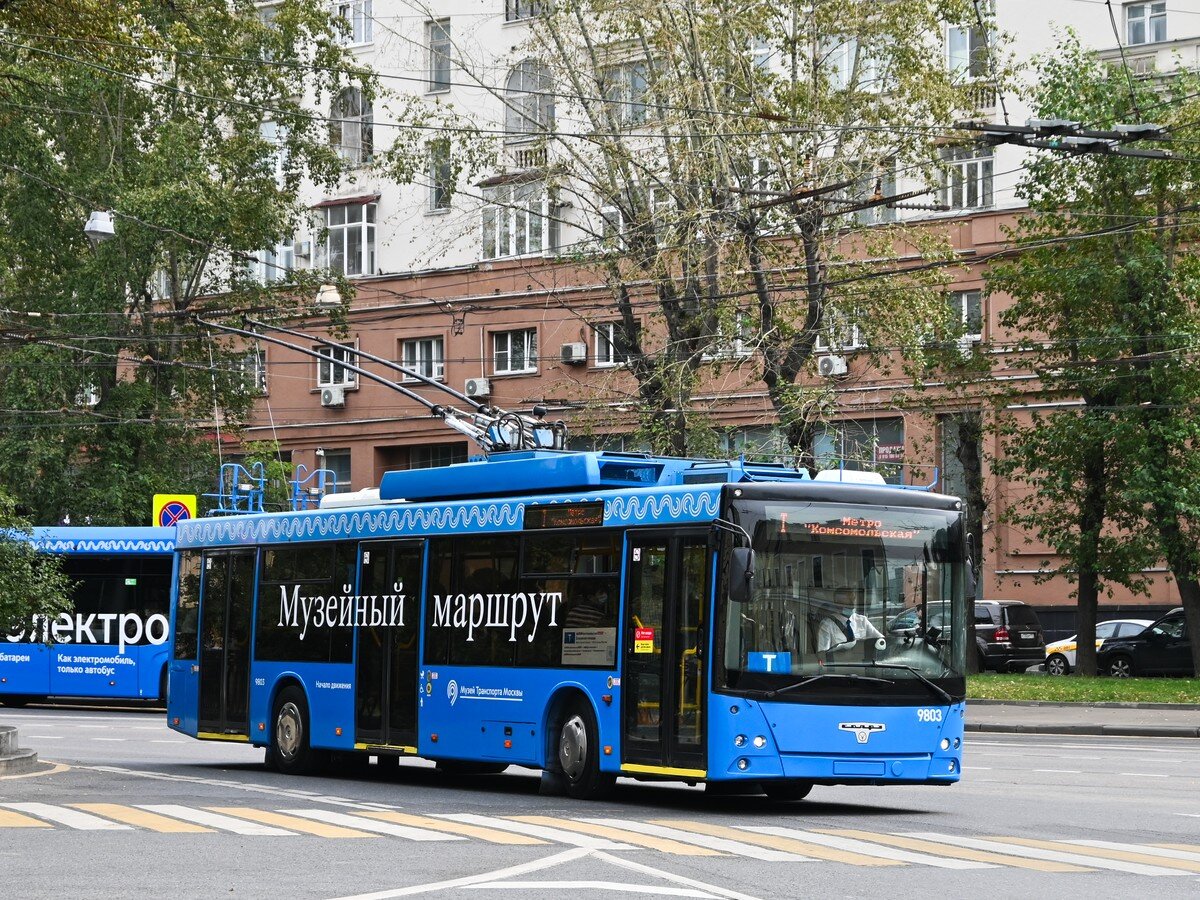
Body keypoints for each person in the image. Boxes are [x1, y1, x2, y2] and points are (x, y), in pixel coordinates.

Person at [816, 603, 883, 652]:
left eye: (853, 602)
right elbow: (823, 654)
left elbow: (880, 640)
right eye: (848, 603)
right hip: (840, 665)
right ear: (838, 605)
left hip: (863, 664)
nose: (852, 606)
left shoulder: (862, 620)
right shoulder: (827, 624)